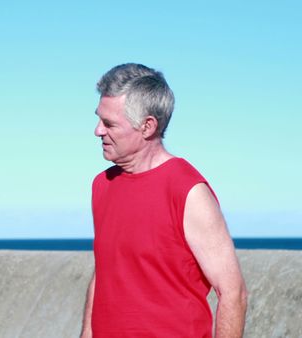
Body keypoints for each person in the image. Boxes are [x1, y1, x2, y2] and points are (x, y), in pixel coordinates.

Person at [80, 64, 248, 338]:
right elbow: (105, 272)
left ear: (147, 126)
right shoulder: (102, 185)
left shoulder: (188, 190)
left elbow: (233, 293)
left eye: (109, 124)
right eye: (99, 119)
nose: (97, 131)